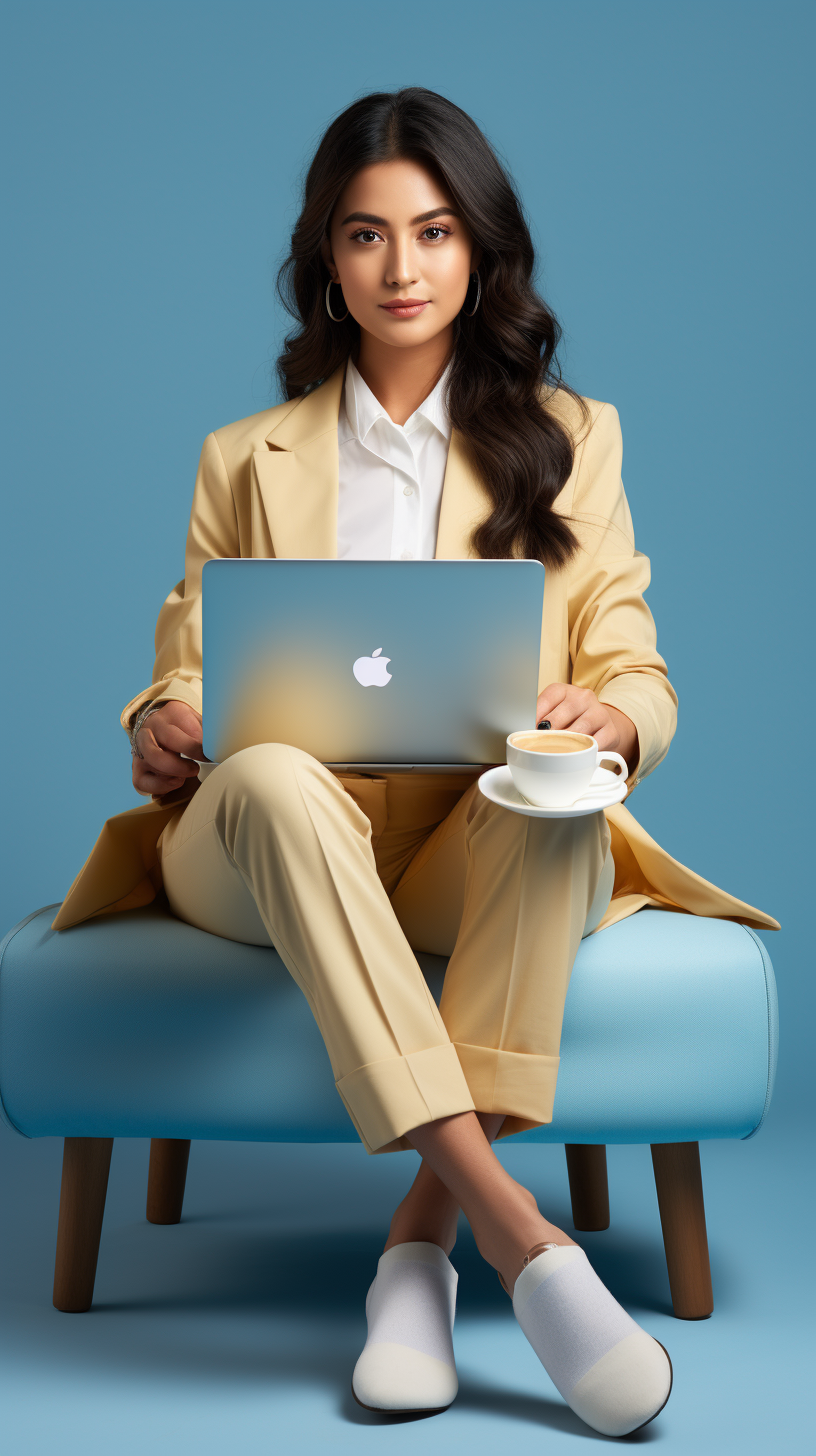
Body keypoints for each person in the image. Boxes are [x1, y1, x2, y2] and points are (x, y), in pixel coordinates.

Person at [52, 88, 778, 1435]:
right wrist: (164, 719)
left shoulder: (575, 437)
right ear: (325, 259)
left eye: (435, 233)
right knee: (267, 771)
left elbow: (636, 664)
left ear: (479, 251)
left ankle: (416, 1250)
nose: (402, 268)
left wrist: (615, 723)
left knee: (562, 807)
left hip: (464, 840)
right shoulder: (243, 457)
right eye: (367, 235)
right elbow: (190, 653)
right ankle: (521, 1237)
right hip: (263, 843)